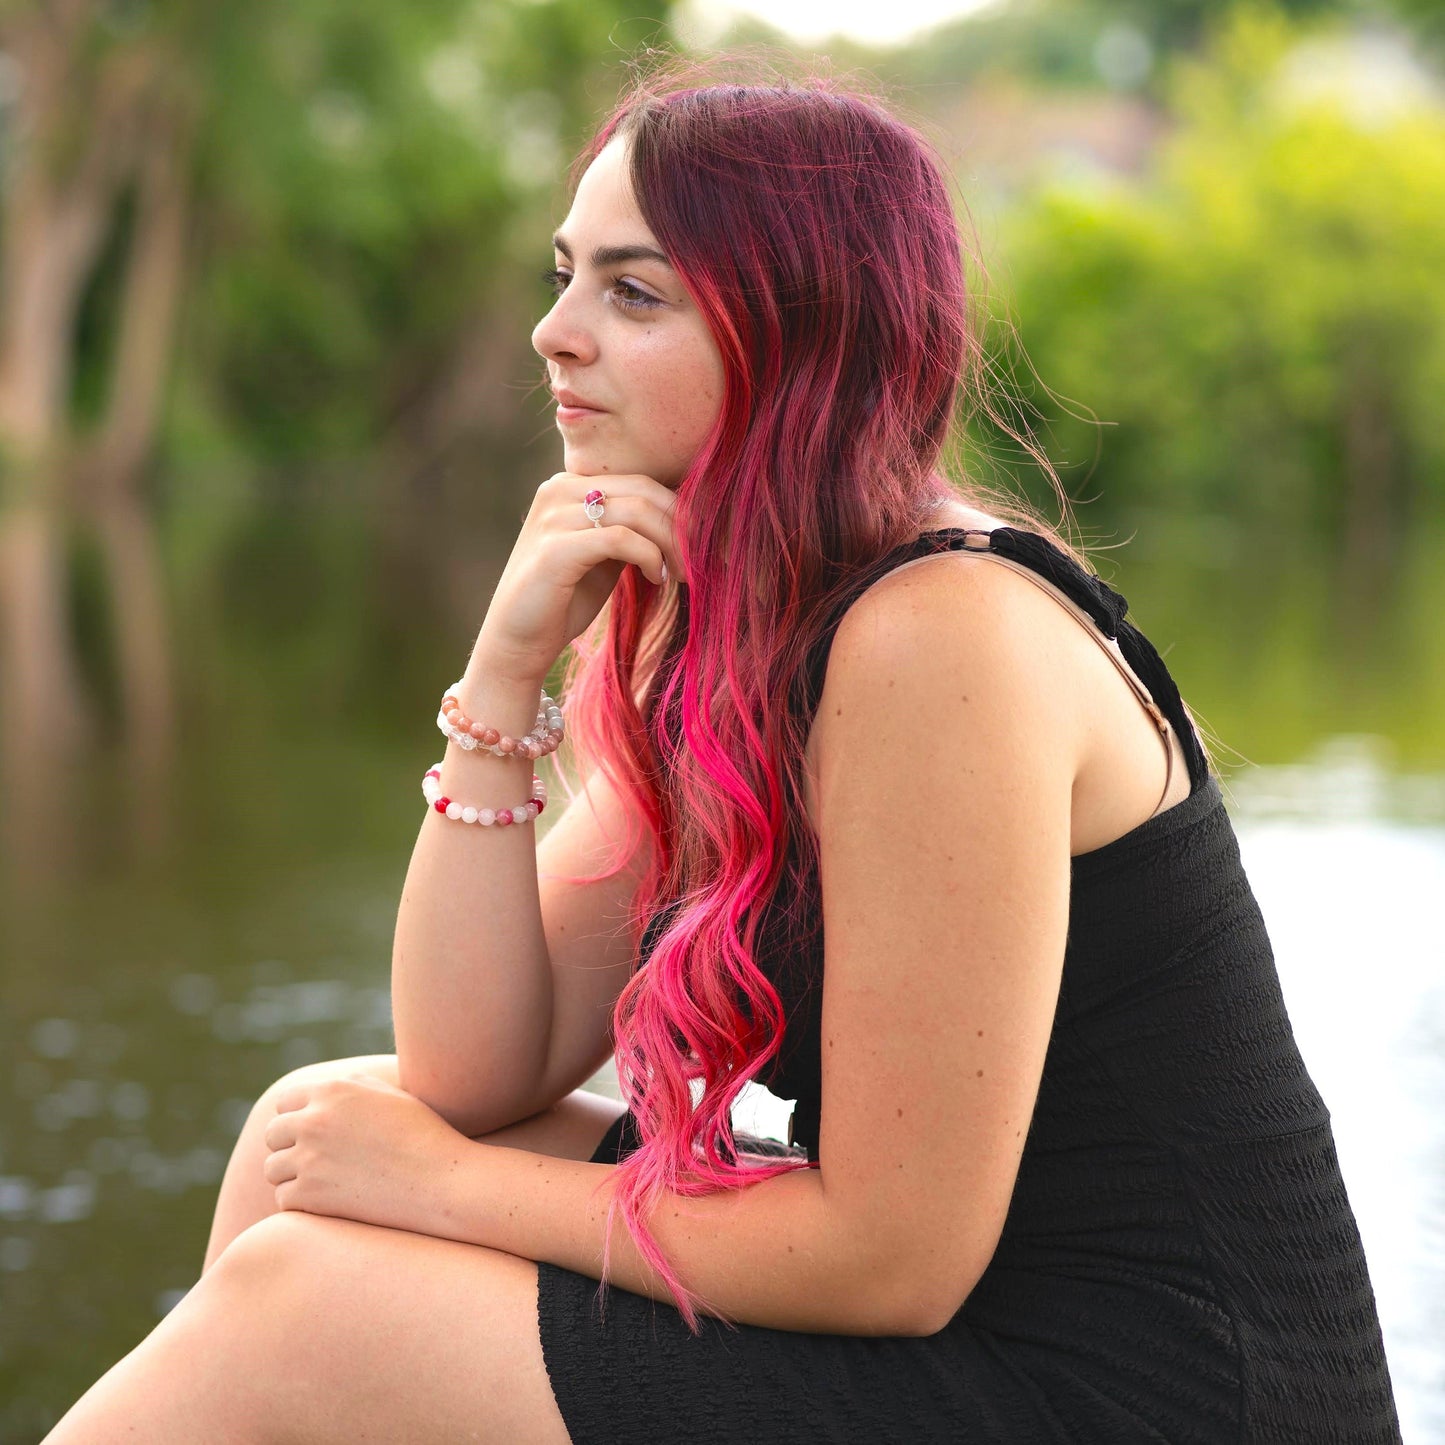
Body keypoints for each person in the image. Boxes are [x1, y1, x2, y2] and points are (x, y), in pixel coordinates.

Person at [44, 57, 1402, 1444]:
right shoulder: (744, 611)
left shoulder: (940, 632)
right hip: (973, 1335)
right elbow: (470, 1072)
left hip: (1139, 1391)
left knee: (307, 1308)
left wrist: (441, 1193)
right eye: (563, 274)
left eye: (631, 293)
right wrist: (502, 682)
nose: (552, 333)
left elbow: (889, 1257)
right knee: (307, 1136)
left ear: (801, 342)